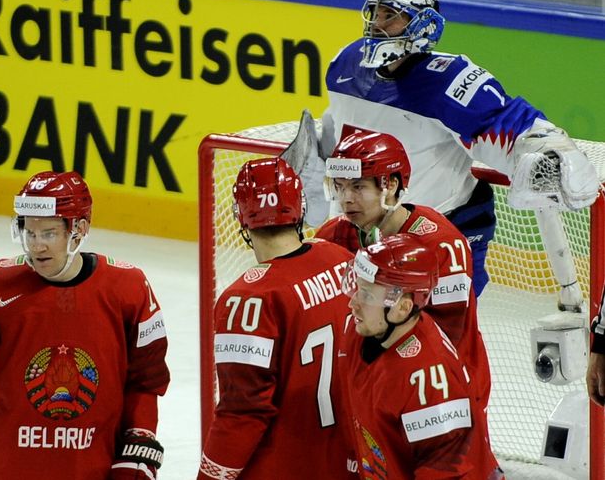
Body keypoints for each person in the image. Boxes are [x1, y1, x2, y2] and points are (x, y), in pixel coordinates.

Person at [313, 0, 600, 299]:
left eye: (390, 16)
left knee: (444, 336)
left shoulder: (449, 80)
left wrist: (549, 148)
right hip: (368, 230)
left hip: (442, 234)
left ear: (422, 25)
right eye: (375, 13)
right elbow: (339, 126)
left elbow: (507, 122)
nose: (377, 24)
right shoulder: (345, 64)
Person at [0, 171, 170, 480]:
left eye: (49, 234)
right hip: (8, 470)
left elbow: (146, 381)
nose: (36, 246)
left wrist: (139, 443)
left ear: (78, 230)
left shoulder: (129, 288)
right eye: (29, 232)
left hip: (91, 470)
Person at [197, 157, 358, 480]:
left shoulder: (247, 300)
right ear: (298, 208)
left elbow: (242, 412)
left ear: (241, 217)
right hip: (346, 460)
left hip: (282, 467)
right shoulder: (341, 259)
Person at [317, 128, 491, 410]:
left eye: (358, 187)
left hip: (446, 393)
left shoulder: (441, 245)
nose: (346, 199)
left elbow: (449, 332)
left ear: (392, 185)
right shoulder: (341, 233)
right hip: (382, 384)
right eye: (339, 186)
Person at [341, 234, 503, 479]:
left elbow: (447, 471)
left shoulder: (428, 377)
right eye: (358, 289)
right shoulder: (365, 332)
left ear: (403, 307)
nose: (353, 303)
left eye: (367, 295)